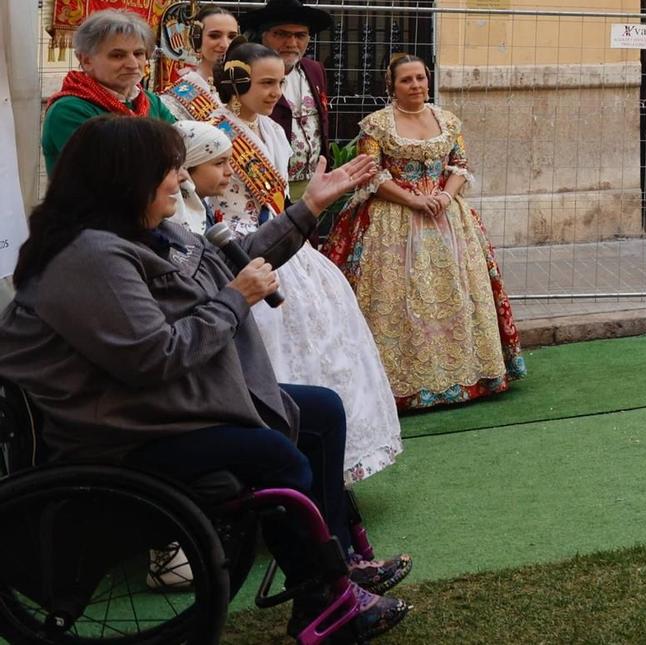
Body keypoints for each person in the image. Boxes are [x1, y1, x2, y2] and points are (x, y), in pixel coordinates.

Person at [0, 116, 409, 638]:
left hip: (162, 407)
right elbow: (155, 356)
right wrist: (235, 300)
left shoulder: (145, 232)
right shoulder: (91, 257)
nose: (182, 180)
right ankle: (324, 590)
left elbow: (229, 267)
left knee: (321, 412)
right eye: (169, 170)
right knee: (273, 454)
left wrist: (308, 209)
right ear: (124, 177)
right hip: (119, 430)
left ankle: (334, 571)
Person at [209, 45, 403, 482]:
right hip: (239, 251)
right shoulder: (214, 130)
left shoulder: (275, 133)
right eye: (265, 83)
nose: (276, 92)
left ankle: (325, 463)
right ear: (237, 81)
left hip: (285, 246)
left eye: (280, 83)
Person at [322, 55, 526, 409]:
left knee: (460, 292)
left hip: (448, 217)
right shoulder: (377, 125)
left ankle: (471, 374)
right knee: (395, 297)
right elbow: (372, 173)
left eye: (421, 78)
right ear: (393, 86)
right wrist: (412, 200)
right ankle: (399, 383)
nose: (416, 85)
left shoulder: (447, 120)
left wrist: (446, 194)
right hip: (391, 220)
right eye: (407, 80)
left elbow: (460, 165)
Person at [40, 7, 176, 171]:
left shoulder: (149, 101)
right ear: (86, 60)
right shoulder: (68, 111)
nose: (133, 64)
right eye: (117, 55)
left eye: (139, 53)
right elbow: (113, 171)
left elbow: (182, 145)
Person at [247, 0, 337, 197]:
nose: (292, 42)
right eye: (281, 34)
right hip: (268, 183)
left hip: (313, 182)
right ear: (263, 35)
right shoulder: (249, 73)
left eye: (300, 35)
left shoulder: (314, 70)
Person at [158, 5, 240, 124]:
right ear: (196, 38)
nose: (225, 44)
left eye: (232, 37)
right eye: (214, 36)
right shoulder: (181, 92)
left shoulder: (247, 84)